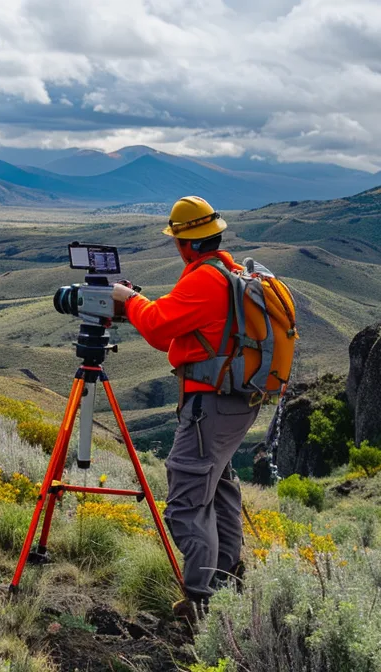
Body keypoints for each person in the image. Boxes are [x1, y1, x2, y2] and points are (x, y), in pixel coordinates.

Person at [111, 195, 257, 622]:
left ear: (185, 243)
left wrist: (127, 299)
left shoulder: (205, 280)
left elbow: (157, 328)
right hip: (235, 402)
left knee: (186, 503)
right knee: (219, 487)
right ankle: (227, 580)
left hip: (211, 403)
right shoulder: (230, 273)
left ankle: (203, 601)